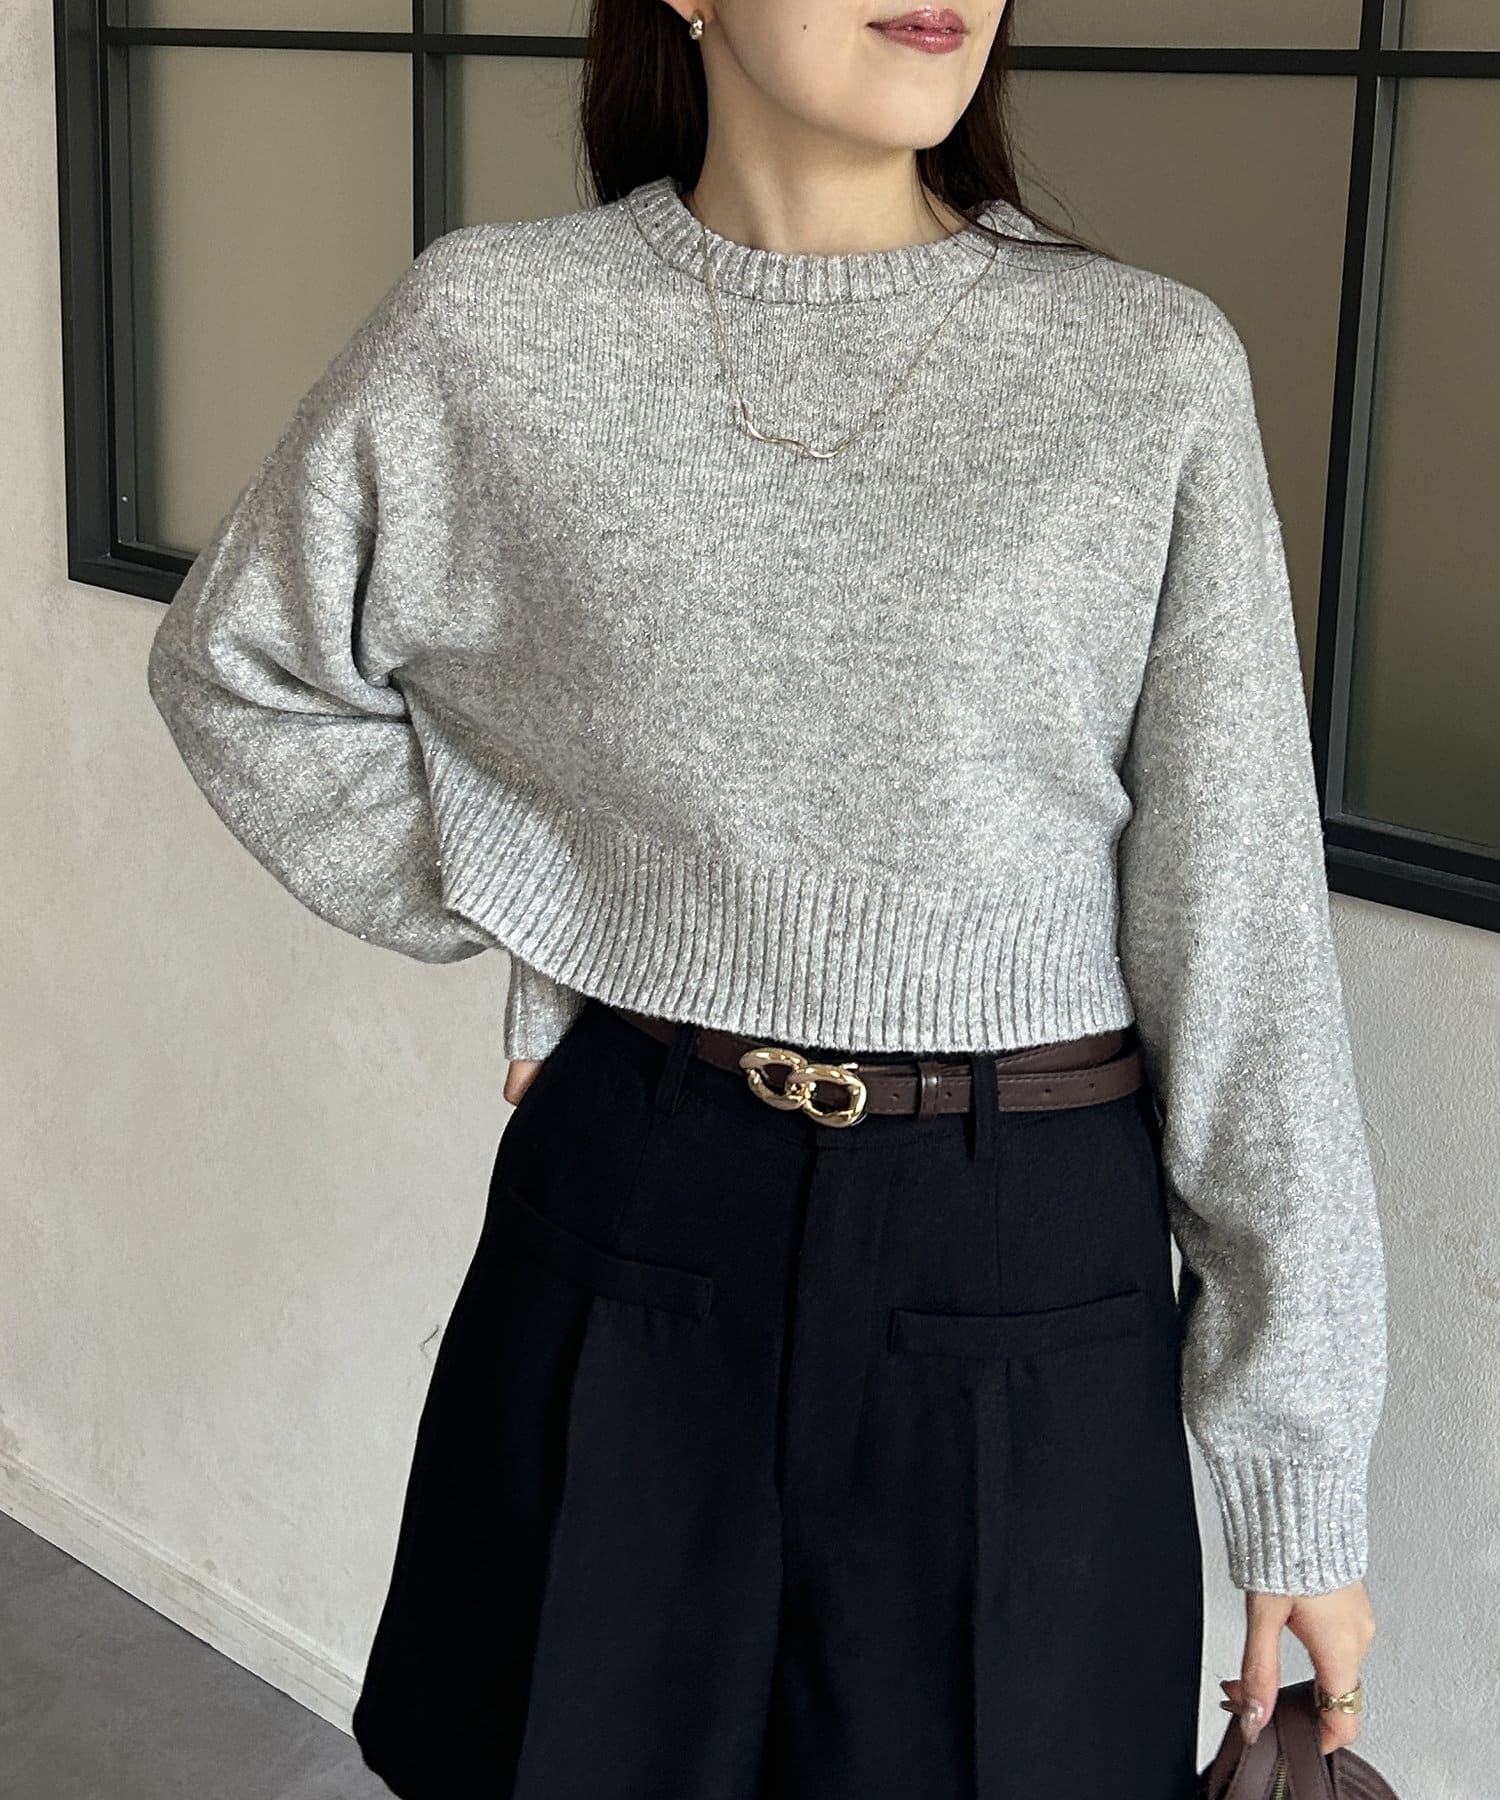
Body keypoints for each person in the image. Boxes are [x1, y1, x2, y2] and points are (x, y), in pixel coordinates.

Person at [145, 1, 1387, 1794]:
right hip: (634, 1193)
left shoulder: (1142, 367)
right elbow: (243, 670)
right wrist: (550, 917)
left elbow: (1242, 931)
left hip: (1022, 1252)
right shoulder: (492, 326)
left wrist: (1297, 1469)